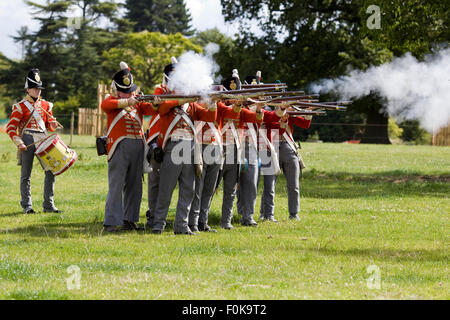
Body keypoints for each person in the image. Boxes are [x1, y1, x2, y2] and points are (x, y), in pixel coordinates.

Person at [101, 61, 160, 233]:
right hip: (119, 146)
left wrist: (156, 103)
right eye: (125, 91)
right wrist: (127, 102)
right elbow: (106, 105)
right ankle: (111, 222)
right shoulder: (112, 101)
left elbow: (150, 110)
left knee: (135, 185)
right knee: (116, 185)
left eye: (130, 90)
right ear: (117, 90)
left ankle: (130, 220)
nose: (129, 94)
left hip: (138, 147)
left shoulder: (137, 103)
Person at [151, 89, 217, 235]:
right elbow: (162, 109)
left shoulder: (193, 106)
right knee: (166, 188)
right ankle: (158, 224)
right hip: (174, 145)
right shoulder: (168, 102)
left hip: (190, 146)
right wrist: (184, 99)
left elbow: (209, 116)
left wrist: (213, 103)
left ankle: (181, 225)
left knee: (188, 188)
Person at [6, 68, 60, 214]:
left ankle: (48, 205)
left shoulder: (46, 106)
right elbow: (10, 128)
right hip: (27, 138)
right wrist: (19, 142)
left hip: (43, 138)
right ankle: (27, 206)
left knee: (51, 171)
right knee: (26, 175)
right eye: (35, 89)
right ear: (28, 89)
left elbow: (49, 126)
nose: (38, 91)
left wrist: (53, 125)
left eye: (39, 89)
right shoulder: (20, 107)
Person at [187, 93, 242, 233]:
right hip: (200, 147)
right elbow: (204, 114)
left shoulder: (218, 106)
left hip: (216, 148)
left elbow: (233, 112)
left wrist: (238, 103)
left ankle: (202, 222)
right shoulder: (195, 105)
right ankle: (193, 222)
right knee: (198, 188)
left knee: (209, 189)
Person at [236, 74, 286, 227]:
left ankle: (248, 216)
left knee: (251, 184)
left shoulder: (261, 110)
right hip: (234, 146)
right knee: (233, 184)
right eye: (253, 91)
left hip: (252, 148)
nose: (257, 94)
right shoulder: (238, 106)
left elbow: (272, 116)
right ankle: (231, 215)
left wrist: (282, 108)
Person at [145, 57, 179, 230]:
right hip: (157, 139)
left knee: (170, 181)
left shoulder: (183, 90)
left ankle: (164, 216)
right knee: (155, 181)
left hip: (175, 138)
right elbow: (163, 105)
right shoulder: (160, 89)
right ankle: (153, 214)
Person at [259, 112, 312, 221]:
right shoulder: (269, 114)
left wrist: (308, 111)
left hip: (288, 148)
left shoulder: (290, 114)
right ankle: (266, 213)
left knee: (294, 185)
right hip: (271, 148)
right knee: (269, 185)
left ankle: (294, 213)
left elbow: (305, 124)